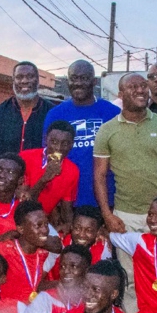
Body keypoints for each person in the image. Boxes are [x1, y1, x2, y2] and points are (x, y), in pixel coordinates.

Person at [93, 72, 157, 312]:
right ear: (120, 94)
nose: (141, 90)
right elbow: (99, 176)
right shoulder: (107, 131)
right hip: (125, 217)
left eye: (143, 86)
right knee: (130, 279)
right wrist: (107, 214)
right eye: (133, 87)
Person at [43, 60, 120, 207]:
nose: (78, 83)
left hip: (106, 200)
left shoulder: (112, 113)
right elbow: (50, 157)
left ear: (94, 81)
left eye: (84, 78)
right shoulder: (55, 114)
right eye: (74, 78)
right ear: (67, 81)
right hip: (66, 201)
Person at [0, 61, 54, 160]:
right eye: (19, 77)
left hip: (42, 175)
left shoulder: (52, 113)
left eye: (30, 76)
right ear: (13, 81)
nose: (24, 81)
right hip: (7, 174)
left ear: (38, 80)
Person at [22, 120, 79, 232]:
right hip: (18, 217)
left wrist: (69, 225)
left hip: (42, 223)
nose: (58, 148)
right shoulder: (26, 158)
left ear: (72, 145)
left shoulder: (72, 170)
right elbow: (23, 204)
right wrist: (44, 179)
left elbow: (66, 209)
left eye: (65, 143)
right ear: (45, 139)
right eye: (53, 141)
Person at [46, 205, 112, 280]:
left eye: (89, 230)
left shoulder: (103, 248)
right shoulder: (59, 242)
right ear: (71, 227)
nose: (81, 235)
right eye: (77, 228)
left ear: (98, 232)